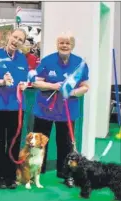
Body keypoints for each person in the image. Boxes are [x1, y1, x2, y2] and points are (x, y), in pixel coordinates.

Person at [32, 33, 89, 188]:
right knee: (39, 143)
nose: (64, 45)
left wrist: (72, 92)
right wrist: (54, 86)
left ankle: (66, 174)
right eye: (61, 43)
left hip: (67, 110)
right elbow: (36, 82)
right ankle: (35, 172)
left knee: (65, 144)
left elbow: (85, 86)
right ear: (57, 44)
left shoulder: (79, 64)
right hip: (45, 109)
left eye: (67, 43)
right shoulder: (47, 61)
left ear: (72, 46)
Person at [0, 28, 29, 189]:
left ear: (23, 43)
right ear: (9, 36)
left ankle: (11, 175)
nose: (16, 41)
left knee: (14, 141)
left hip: (16, 106)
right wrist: (1, 82)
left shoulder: (22, 59)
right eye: (15, 37)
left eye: (20, 40)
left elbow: (24, 80)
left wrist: (24, 85)